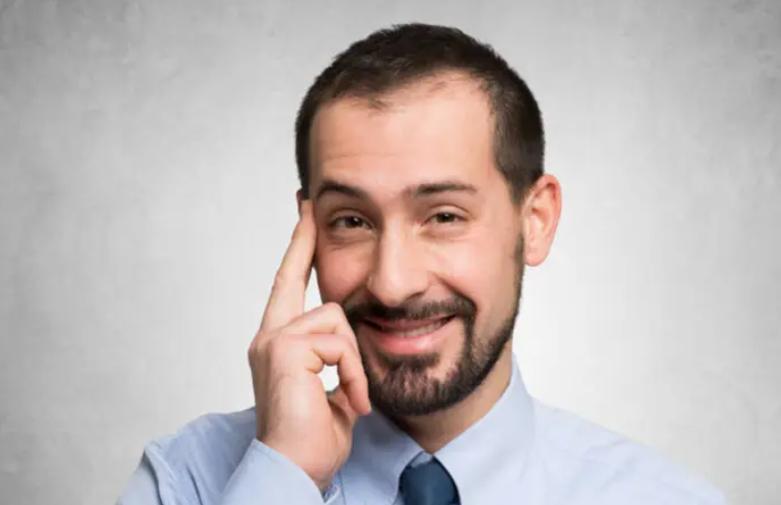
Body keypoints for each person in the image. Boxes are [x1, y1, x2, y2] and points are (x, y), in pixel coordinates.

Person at [117, 23, 725, 505]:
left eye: (443, 216)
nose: (393, 283)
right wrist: (284, 477)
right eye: (351, 221)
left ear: (535, 220)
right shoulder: (187, 483)